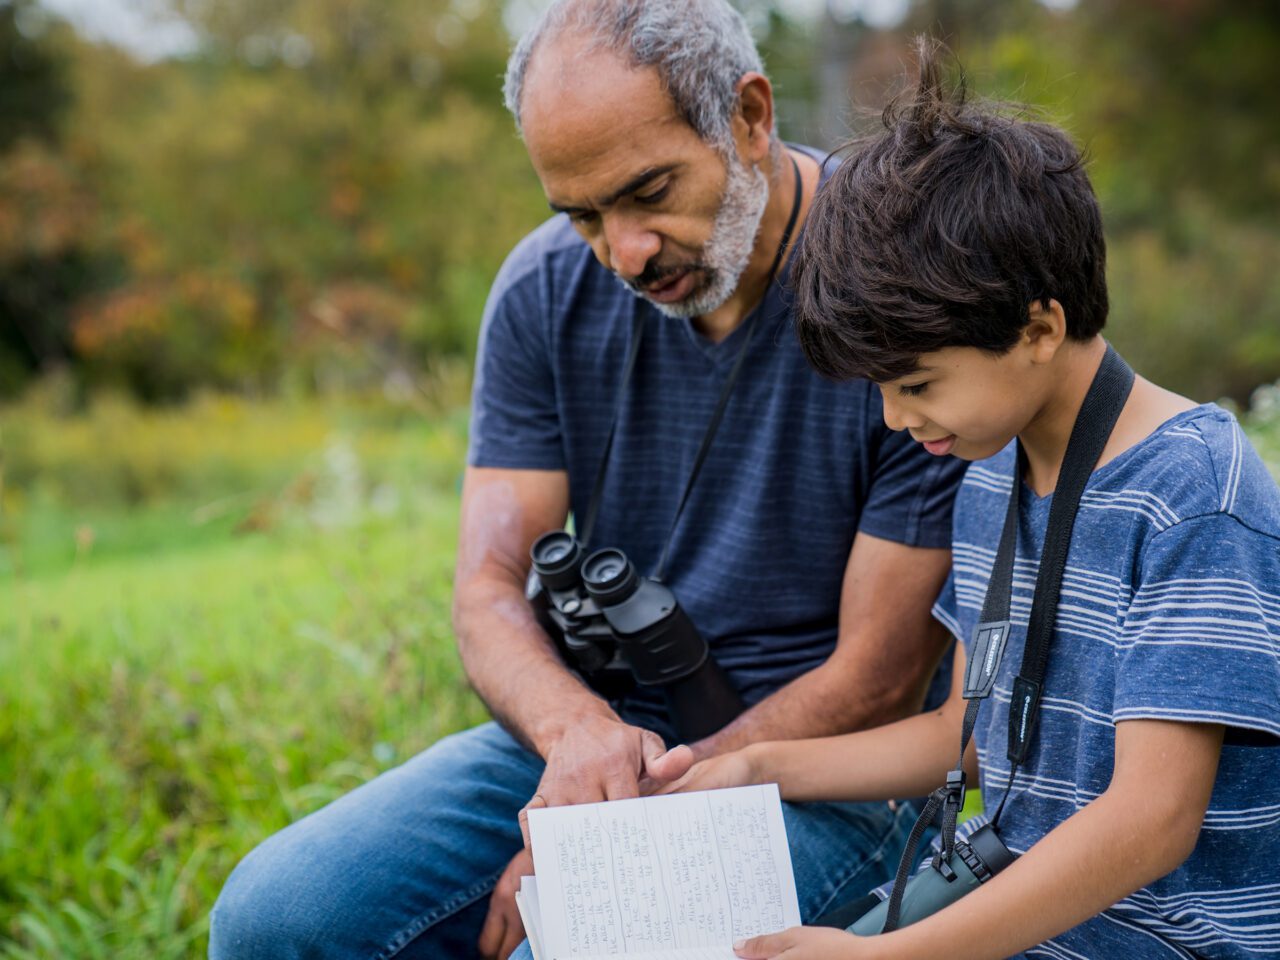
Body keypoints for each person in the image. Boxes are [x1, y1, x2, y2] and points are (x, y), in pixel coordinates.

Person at [207, 4, 969, 959]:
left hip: (839, 775)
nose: (625, 252)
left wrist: (605, 837)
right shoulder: (540, 289)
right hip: (602, 737)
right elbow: (488, 589)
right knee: (273, 919)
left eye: (649, 191)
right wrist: (577, 739)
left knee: (574, 946)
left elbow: (879, 680)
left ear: (750, 116)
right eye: (581, 215)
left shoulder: (899, 276)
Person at [659, 38, 1280, 960]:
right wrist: (755, 766)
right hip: (1030, 916)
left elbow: (1153, 822)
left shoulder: (1192, 492)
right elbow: (967, 735)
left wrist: (887, 957)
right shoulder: (988, 473)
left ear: (1039, 327)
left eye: (914, 384)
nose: (895, 418)